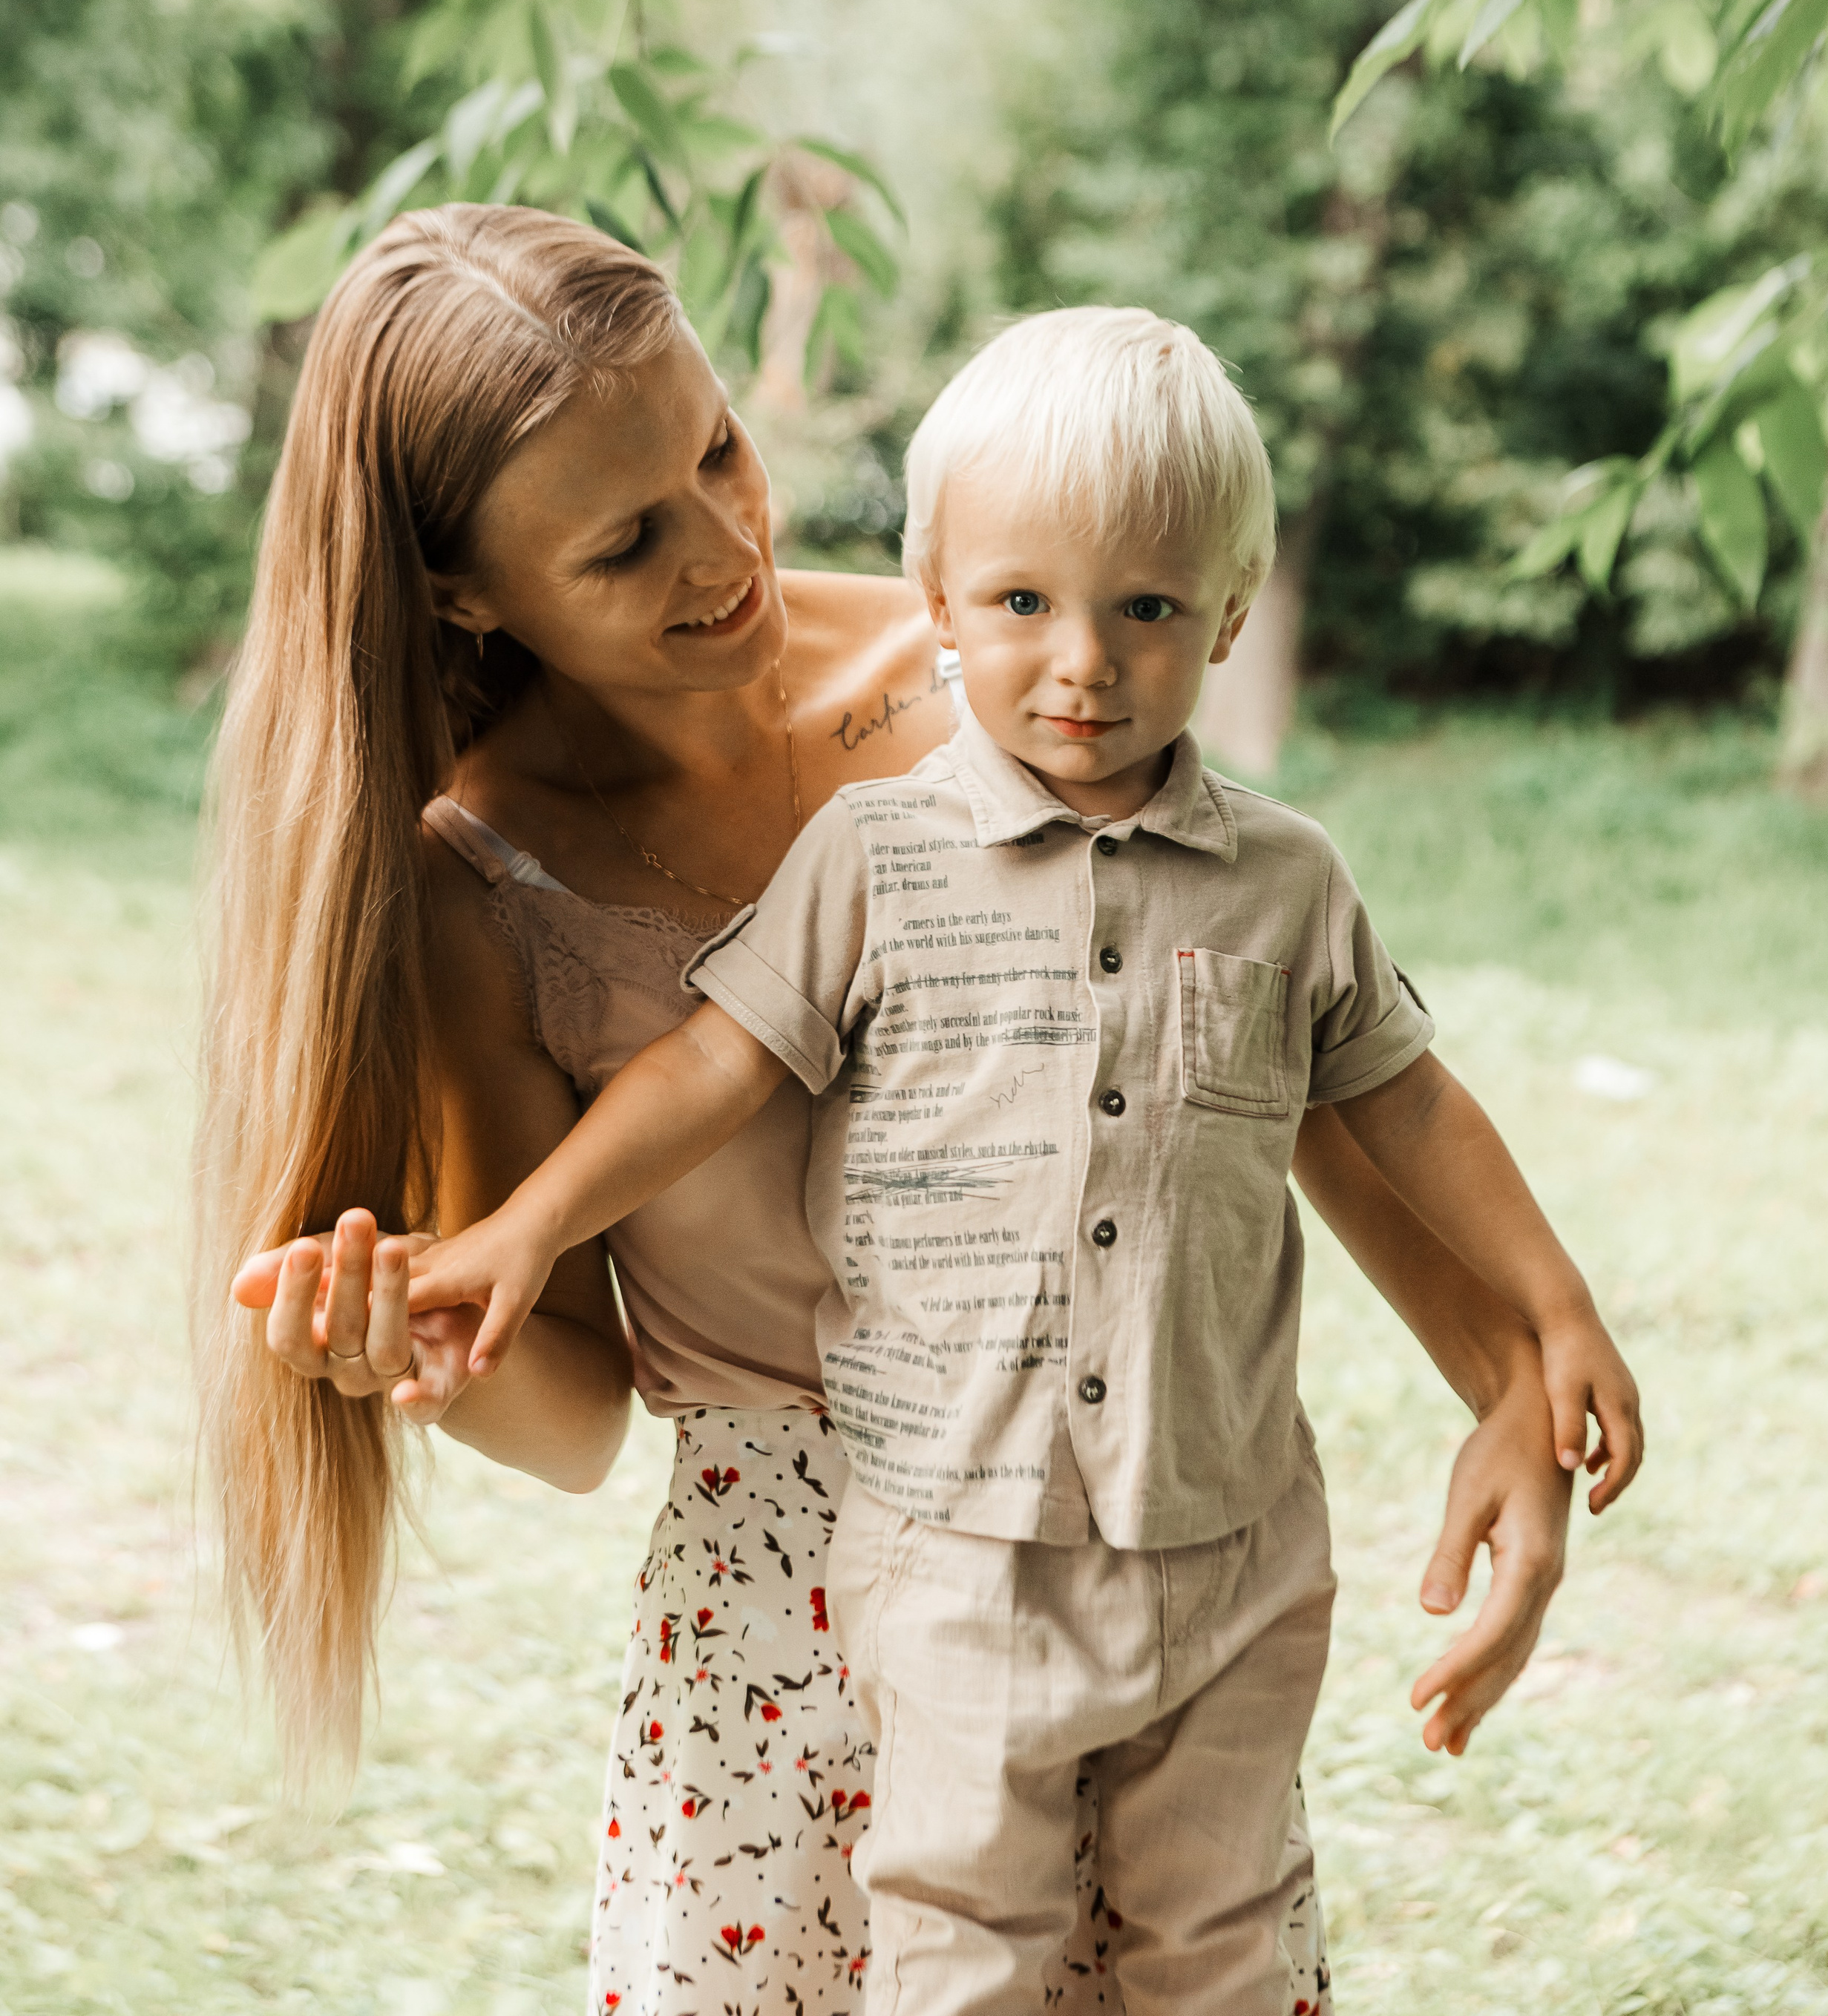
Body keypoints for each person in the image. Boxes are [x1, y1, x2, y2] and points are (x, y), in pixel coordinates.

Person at [212, 208, 1583, 2016]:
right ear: (468, 592)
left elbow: (1265, 1065)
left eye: (717, 447)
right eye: (627, 542)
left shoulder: (997, 660)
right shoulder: (481, 883)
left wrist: (1513, 1384)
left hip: (1115, 1530)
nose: (726, 550)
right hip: (783, 1633)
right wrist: (403, 1348)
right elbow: (571, 1416)